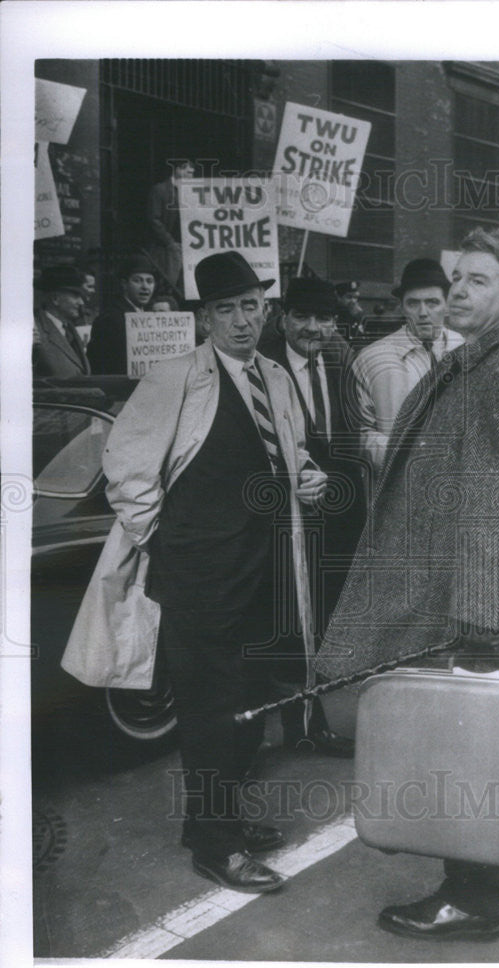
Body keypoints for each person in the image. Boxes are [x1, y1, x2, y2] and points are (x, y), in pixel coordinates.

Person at [315, 227, 499, 940]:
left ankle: (471, 898)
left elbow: (493, 510)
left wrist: (478, 633)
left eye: (477, 280)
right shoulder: (487, 361)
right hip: (483, 607)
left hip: (477, 617)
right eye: (458, 277)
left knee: (468, 746)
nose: (457, 289)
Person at [70, 250, 327, 893]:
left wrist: (308, 480)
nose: (241, 320)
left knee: (250, 702)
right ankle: (218, 845)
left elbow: (290, 455)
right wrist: (166, 540)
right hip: (201, 577)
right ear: (203, 317)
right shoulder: (174, 377)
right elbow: (127, 470)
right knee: (211, 709)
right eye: (225, 309)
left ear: (264, 309)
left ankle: (217, 820)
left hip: (265, 568)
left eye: (249, 306)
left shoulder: (273, 373)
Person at [259, 276, 367, 756]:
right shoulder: (262, 365)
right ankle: (303, 726)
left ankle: (307, 715)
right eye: (302, 316)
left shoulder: (341, 361)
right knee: (290, 625)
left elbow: (349, 437)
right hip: (285, 516)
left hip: (336, 515)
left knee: (320, 621)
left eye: (324, 318)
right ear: (283, 318)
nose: (313, 328)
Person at [350, 258, 464, 479]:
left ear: (447, 305)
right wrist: (408, 460)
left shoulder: (467, 350)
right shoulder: (372, 359)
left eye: (432, 302)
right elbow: (360, 433)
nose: (423, 312)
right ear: (402, 307)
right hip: (400, 489)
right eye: (413, 303)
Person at [87, 255, 156, 374]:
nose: (145, 286)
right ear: (124, 284)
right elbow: (101, 366)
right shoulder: (110, 319)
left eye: (149, 281)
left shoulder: (151, 317)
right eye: (137, 280)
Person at [145, 157, 195, 292]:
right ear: (178, 170)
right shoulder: (159, 190)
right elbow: (154, 219)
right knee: (167, 285)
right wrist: (170, 242)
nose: (191, 174)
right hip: (166, 249)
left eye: (192, 172)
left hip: (188, 248)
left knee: (185, 287)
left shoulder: (192, 192)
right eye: (188, 171)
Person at [33, 265, 91, 377]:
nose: (81, 303)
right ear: (55, 299)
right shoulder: (35, 330)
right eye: (75, 296)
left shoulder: (69, 329)